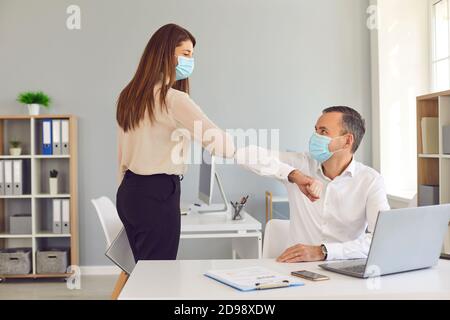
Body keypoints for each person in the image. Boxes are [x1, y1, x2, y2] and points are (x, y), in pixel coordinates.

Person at [115, 24, 235, 262]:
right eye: (186, 54)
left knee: (145, 271)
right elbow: (220, 144)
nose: (191, 61)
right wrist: (236, 147)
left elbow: (121, 155)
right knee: (159, 275)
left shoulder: (128, 96)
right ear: (165, 55)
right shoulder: (174, 99)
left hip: (129, 193)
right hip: (157, 193)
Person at [237, 106, 390, 262]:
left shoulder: (370, 180)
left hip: (344, 270)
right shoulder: (301, 164)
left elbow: (382, 239)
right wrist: (293, 174)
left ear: (347, 141)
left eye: (323, 132)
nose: (315, 137)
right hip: (297, 269)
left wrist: (324, 251)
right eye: (316, 130)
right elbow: (244, 155)